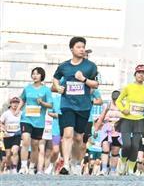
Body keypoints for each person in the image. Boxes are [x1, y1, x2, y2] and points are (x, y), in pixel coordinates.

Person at [51, 36, 100, 174]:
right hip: (67, 104)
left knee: (78, 138)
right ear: (71, 49)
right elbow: (55, 78)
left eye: (83, 47)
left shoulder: (90, 66)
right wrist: (58, 87)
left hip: (83, 106)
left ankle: (75, 162)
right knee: (67, 134)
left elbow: (96, 84)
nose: (82, 49)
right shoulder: (64, 66)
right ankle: (66, 164)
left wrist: (83, 79)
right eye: (78, 47)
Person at [115, 64, 144, 175]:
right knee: (127, 145)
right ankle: (123, 162)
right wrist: (123, 109)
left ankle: (131, 169)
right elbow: (118, 101)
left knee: (135, 146)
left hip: (139, 120)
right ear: (135, 74)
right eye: (139, 73)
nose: (141, 75)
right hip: (126, 119)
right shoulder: (128, 87)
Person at [19, 67, 53, 174]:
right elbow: (22, 99)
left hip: (39, 121)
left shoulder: (46, 90)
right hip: (26, 118)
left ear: (41, 76)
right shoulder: (27, 88)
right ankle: (23, 166)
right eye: (33, 74)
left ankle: (31, 167)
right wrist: (18, 109)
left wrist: (42, 103)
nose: (35, 76)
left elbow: (50, 105)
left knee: (34, 145)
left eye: (37, 74)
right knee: (25, 140)